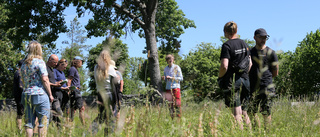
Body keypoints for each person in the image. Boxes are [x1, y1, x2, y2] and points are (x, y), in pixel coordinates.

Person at [218, 21, 252, 129]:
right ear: (236, 31)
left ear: (225, 32)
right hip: (245, 80)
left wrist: (220, 77)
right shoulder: (244, 44)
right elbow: (250, 64)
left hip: (233, 81)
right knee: (245, 113)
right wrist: (244, 74)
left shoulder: (227, 45)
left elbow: (224, 66)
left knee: (237, 113)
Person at [20, 41, 54, 137]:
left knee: (29, 123)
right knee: (43, 121)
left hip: (26, 94)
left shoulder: (23, 65)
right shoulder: (40, 62)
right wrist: (50, 94)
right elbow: (45, 79)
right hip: (39, 94)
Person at [249, 28, 279, 130]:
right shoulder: (250, 52)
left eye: (265, 37)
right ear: (254, 37)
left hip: (267, 86)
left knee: (266, 112)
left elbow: (275, 72)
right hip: (252, 87)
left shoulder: (271, 53)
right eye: (260, 37)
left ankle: (267, 133)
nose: (263, 39)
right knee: (251, 111)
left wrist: (266, 79)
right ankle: (257, 131)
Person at [92, 50, 118, 134]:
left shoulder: (96, 68)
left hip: (100, 94)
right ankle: (107, 134)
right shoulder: (110, 68)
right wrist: (116, 100)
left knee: (102, 116)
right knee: (111, 118)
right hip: (108, 94)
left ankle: (92, 131)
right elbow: (115, 83)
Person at [161, 54, 183, 119]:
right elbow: (166, 80)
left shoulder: (177, 67)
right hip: (168, 88)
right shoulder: (166, 69)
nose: (170, 60)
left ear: (173, 60)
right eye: (168, 59)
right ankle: (172, 119)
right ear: (167, 61)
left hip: (175, 87)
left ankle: (179, 118)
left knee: (177, 103)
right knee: (170, 104)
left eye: (171, 59)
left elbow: (181, 78)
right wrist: (164, 78)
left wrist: (171, 77)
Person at [67, 56, 85, 125]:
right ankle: (84, 125)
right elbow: (69, 80)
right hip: (75, 91)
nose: (82, 63)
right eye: (81, 62)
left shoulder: (74, 69)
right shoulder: (72, 69)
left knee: (73, 109)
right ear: (77, 61)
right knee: (81, 108)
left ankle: (69, 124)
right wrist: (69, 90)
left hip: (76, 91)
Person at [13, 60, 24, 131]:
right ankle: (20, 130)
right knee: (21, 114)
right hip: (21, 96)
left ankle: (19, 129)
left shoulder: (16, 72)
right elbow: (21, 86)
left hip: (18, 96)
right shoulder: (20, 73)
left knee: (19, 114)